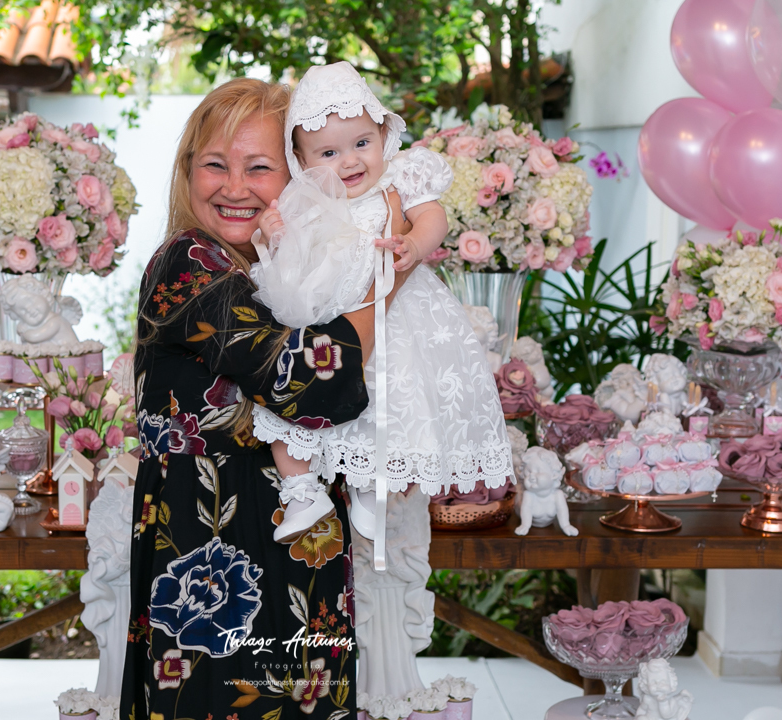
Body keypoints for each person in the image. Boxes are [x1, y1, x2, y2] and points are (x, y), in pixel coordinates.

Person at [121, 78, 414, 720]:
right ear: (187, 172)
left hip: (296, 561)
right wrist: (390, 278)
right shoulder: (187, 263)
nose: (234, 187)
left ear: (301, 177)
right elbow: (315, 381)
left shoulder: (277, 269)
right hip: (211, 578)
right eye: (215, 165)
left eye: (260, 168)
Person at [249, 63, 513, 550]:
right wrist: (274, 232)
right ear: (302, 162)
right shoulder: (304, 197)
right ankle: (303, 490)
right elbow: (279, 238)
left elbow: (434, 216)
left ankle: (373, 485)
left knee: (390, 396)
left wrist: (415, 243)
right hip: (325, 312)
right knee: (294, 398)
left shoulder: (400, 177)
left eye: (361, 143)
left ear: (383, 134)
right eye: (329, 152)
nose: (350, 161)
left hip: (399, 311)